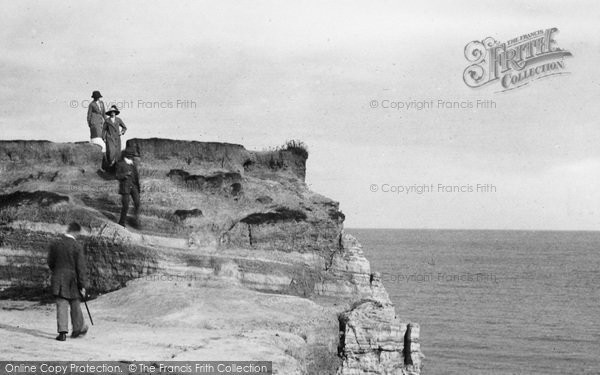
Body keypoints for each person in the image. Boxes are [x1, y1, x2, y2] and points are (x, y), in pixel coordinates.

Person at [47, 222, 89, 341]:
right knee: (75, 302)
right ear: (75, 232)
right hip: (72, 279)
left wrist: (57, 271)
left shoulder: (55, 244)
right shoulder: (77, 246)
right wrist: (82, 284)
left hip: (58, 277)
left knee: (62, 303)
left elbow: (50, 262)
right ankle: (77, 329)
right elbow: (81, 267)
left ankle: (62, 333)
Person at [116, 146, 141, 228]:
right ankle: (121, 222)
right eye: (131, 155)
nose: (132, 157)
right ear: (126, 155)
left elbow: (136, 176)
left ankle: (135, 220)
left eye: (132, 155)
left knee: (137, 203)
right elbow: (117, 176)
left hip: (133, 187)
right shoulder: (120, 164)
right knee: (125, 205)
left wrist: (137, 188)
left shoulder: (132, 164)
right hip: (125, 187)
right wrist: (125, 175)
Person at [102, 105, 127, 172]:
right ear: (109, 113)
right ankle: (110, 167)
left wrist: (121, 133)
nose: (112, 113)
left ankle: (116, 169)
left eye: (114, 112)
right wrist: (103, 137)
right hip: (109, 138)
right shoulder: (107, 120)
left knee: (117, 154)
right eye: (111, 112)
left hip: (117, 138)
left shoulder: (118, 120)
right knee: (111, 153)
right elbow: (103, 130)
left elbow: (124, 127)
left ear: (115, 112)